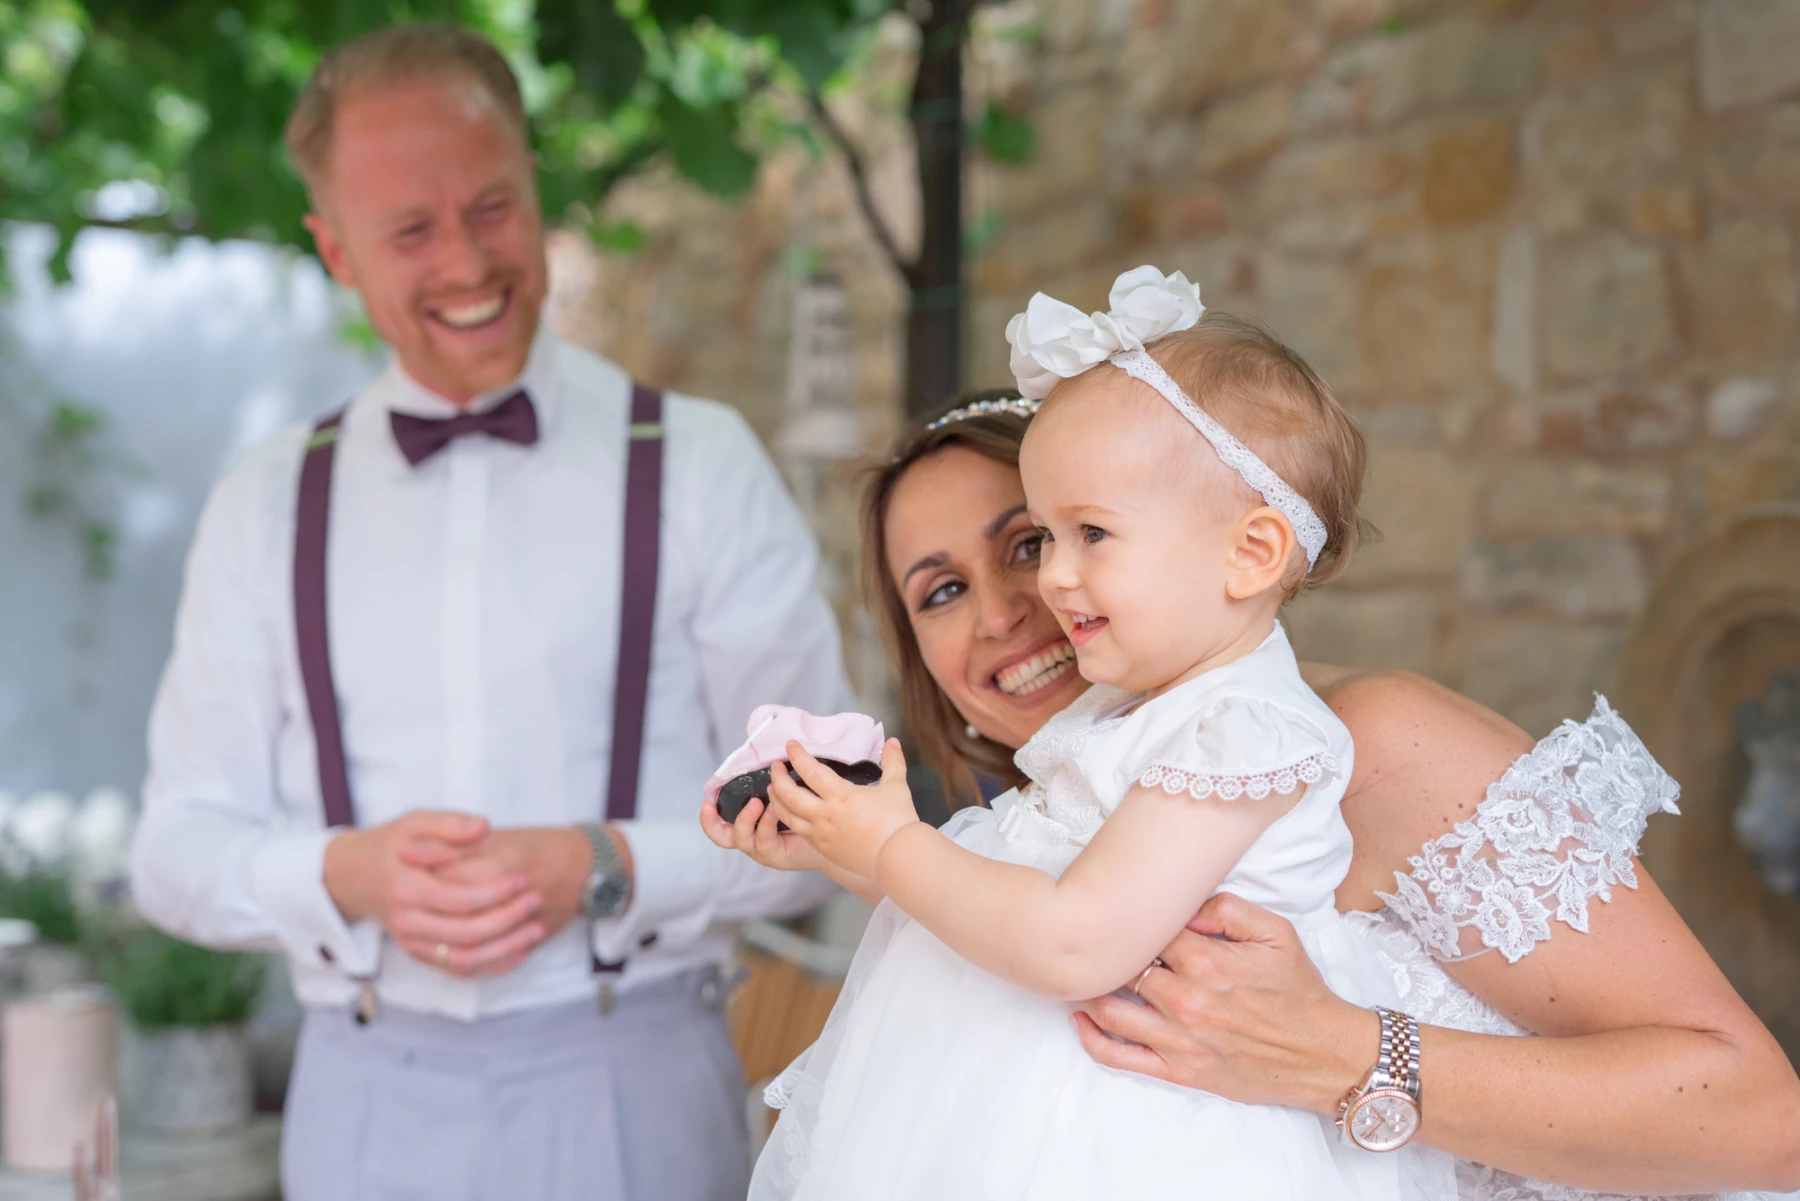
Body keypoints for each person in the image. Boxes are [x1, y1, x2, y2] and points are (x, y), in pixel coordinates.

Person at [705, 324, 1800, 1195]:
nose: (1016, 606)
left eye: (1040, 542)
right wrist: (849, 840)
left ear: (1231, 539)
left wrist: (1339, 1050)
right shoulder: (1053, 808)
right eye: (940, 591)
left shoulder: (1370, 746)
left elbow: (1762, 1119)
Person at [130, 24, 849, 1201]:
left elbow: (832, 816)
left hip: (640, 1080)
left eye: (494, 207)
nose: (466, 262)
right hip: (363, 1099)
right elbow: (173, 849)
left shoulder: (701, 464)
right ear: (337, 251)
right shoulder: (266, 503)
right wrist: (345, 873)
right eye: (410, 230)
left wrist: (606, 863)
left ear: (536, 189)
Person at [728, 269, 1456, 1198]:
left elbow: (1074, 940)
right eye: (943, 592)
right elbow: (1008, 886)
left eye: (1075, 538)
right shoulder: (1121, 726)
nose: (1048, 586)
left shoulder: (1241, 731)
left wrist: (893, 844)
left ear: (1251, 551)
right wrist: (838, 833)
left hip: (1150, 1148)